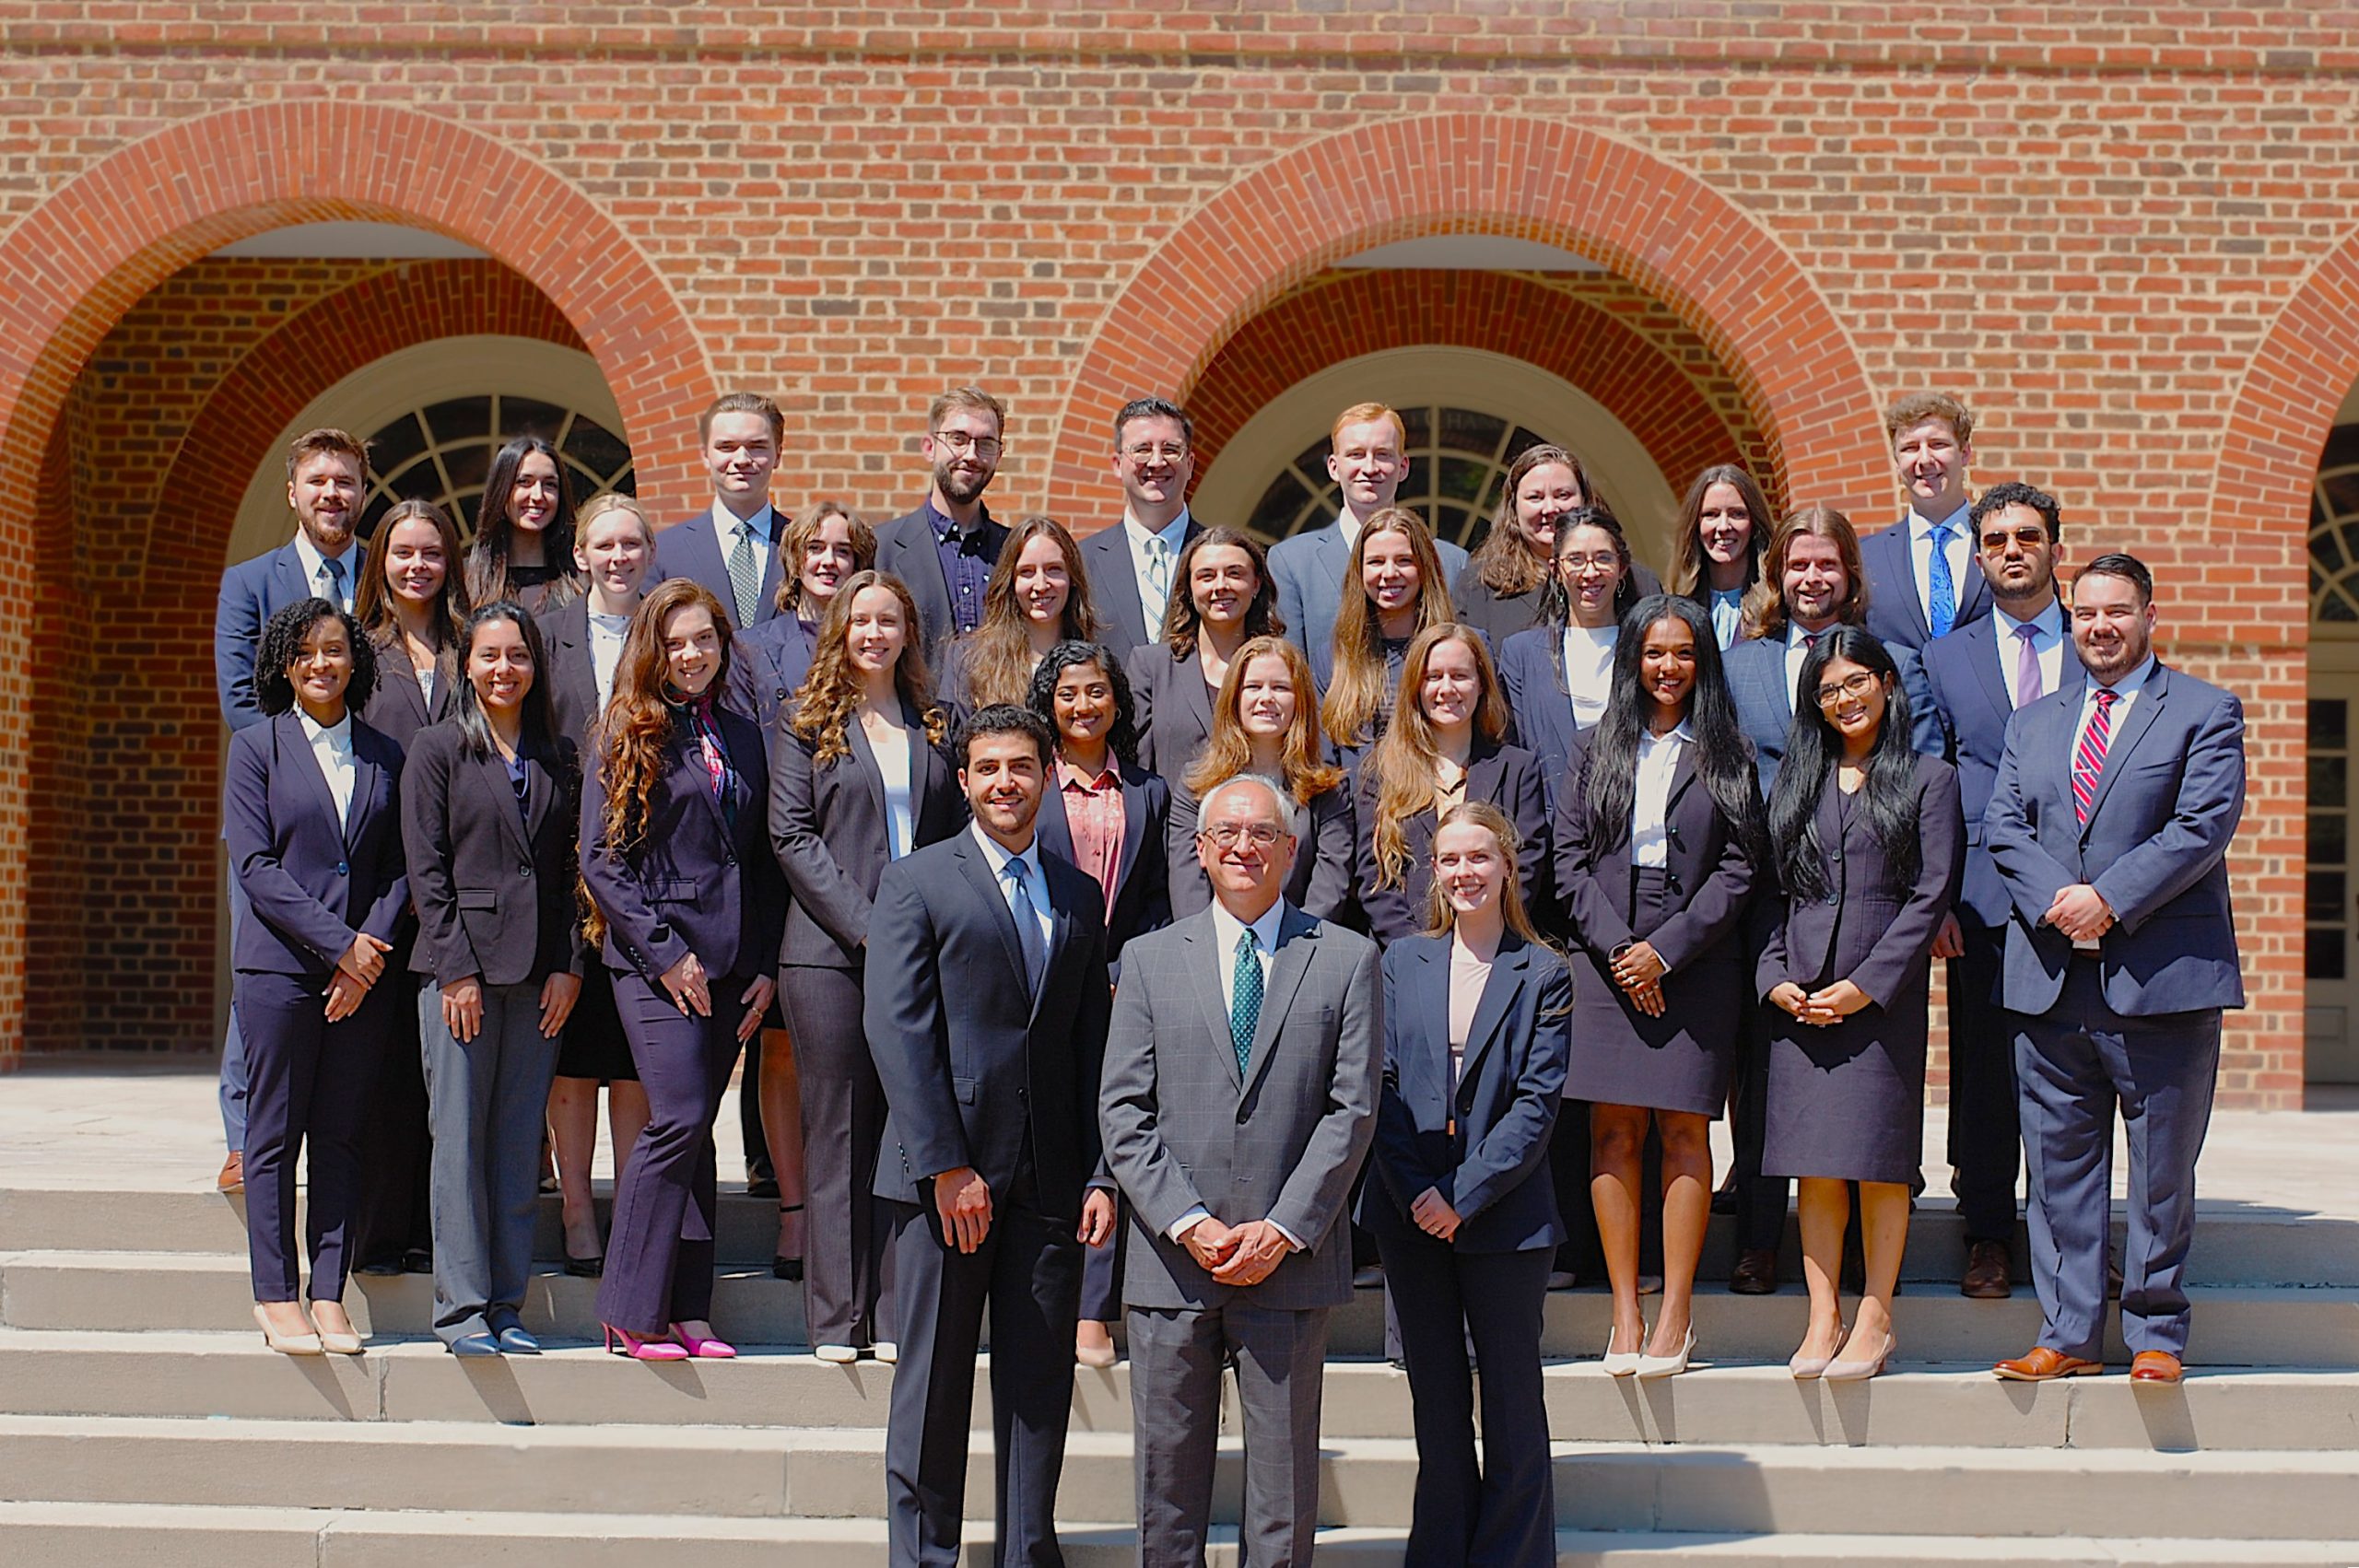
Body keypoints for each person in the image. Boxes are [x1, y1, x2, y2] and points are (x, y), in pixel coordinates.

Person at [1100, 771, 1381, 1568]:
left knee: (1284, 1493)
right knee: (1167, 1486)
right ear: (1199, 850)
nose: (1243, 847)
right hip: (1173, 1265)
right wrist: (1188, 1222)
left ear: (1291, 851)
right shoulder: (1149, 960)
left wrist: (1284, 1228)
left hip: (1287, 1262)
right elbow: (1123, 1110)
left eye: (1262, 833)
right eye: (1226, 832)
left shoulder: (1347, 960)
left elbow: (1351, 1110)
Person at [865, 705, 1116, 1568]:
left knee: (1038, 1391)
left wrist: (1100, 1175)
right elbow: (898, 1029)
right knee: (933, 1388)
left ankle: (1026, 1553)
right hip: (946, 1184)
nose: (1005, 782)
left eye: (1021, 766)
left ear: (1047, 776)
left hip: (1049, 1183)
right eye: (988, 768)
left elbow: (1091, 1045)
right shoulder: (917, 881)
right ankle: (925, 1557)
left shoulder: (1078, 894)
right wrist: (945, 1165)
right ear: (965, 780)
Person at [1988, 554, 2246, 1387]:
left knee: (2163, 1166)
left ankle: (2157, 1333)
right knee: (2058, 1166)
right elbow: (2002, 827)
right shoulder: (2034, 721)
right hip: (2053, 975)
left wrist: (2109, 899)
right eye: (2086, 613)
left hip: (2163, 977)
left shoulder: (2205, 711)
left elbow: (2201, 826)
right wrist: (2063, 899)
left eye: (2117, 612)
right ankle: (2067, 1333)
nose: (2099, 627)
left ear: (2149, 615)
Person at [1719, 506, 1950, 1293]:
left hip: (1875, 890)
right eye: (1795, 566)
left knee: (1864, 1101)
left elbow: (1923, 784)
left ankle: (1864, 1268)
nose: (1810, 578)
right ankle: (1758, 1237)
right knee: (1765, 1079)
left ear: (1850, 574)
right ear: (1776, 574)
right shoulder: (1743, 660)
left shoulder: (1893, 663)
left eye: (1826, 565)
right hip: (1777, 888)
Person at [1555, 594, 1765, 1376]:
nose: (1667, 667)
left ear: (1701, 662)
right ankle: (1624, 1308)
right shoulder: (1590, 749)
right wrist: (1620, 950)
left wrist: (1666, 951)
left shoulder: (1729, 750)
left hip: (1696, 957)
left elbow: (1743, 865)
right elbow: (1566, 862)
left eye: (1682, 653)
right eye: (1653, 653)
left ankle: (1676, 1306)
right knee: (1612, 1133)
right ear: (1631, 661)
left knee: (1683, 1132)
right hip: (1606, 953)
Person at [1357, 801, 1568, 1565]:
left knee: (1512, 1405)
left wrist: (1462, 1195)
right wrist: (1419, 1192)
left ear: (1507, 866)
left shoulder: (1544, 970)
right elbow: (1374, 1086)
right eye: (1449, 861)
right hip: (1408, 1215)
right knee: (1437, 1407)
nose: (1463, 873)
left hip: (1505, 1218)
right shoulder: (1400, 962)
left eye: (1479, 858)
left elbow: (1536, 1105)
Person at [579, 579, 782, 1361]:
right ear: (652, 648)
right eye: (676, 641)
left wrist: (762, 962)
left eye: (705, 639)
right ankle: (630, 1308)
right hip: (654, 961)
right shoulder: (625, 731)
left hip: (733, 963)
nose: (692, 654)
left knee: (701, 1132)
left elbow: (758, 855)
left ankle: (689, 1308)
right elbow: (602, 861)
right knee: (678, 1118)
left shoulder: (740, 730)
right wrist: (666, 957)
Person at [770, 568, 965, 1363]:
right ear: (839, 632)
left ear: (907, 631)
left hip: (922, 958)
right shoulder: (805, 721)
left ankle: (893, 1314)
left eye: (889, 619)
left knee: (908, 1129)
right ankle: (836, 1319)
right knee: (841, 1129)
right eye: (861, 621)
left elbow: (956, 835)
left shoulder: (935, 722)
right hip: (829, 956)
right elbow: (791, 836)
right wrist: (869, 925)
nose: (875, 633)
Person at [1759, 626, 1963, 1382]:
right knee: (1814, 1166)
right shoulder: (1797, 780)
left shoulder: (1927, 778)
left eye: (1855, 683)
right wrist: (1773, 975)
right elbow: (1770, 891)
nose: (1843, 700)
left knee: (1878, 1160)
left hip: (1882, 999)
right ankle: (1823, 1314)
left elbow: (1929, 894)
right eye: (1827, 690)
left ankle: (1876, 1312)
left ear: (1885, 683)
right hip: (1800, 996)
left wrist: (1868, 984)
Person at [224, 597, 408, 1356]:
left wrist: (368, 952)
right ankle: (276, 1294)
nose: (321, 664)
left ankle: (328, 1294)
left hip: (358, 977)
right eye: (304, 653)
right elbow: (257, 866)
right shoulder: (257, 748)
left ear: (354, 660)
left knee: (338, 1136)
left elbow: (401, 870)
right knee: (273, 1135)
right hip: (279, 971)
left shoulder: (384, 753)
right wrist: (343, 947)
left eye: (334, 650)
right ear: (283, 665)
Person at [401, 603, 582, 1356]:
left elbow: (576, 869)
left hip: (539, 978)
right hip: (460, 980)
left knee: (514, 1146)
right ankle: (462, 1309)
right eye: (488, 656)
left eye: (517, 656)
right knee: (461, 1144)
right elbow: (426, 869)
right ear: (466, 665)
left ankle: (507, 1303)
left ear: (534, 667)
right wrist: (456, 971)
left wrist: (570, 965)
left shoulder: (558, 755)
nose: (503, 669)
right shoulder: (437, 749)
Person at [1919, 481, 2078, 1299]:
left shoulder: (2098, 644)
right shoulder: (1947, 658)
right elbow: (1928, 783)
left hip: (2081, 896)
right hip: (1979, 899)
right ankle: (1986, 1233)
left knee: (2072, 1072)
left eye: (2027, 536)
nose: (2012, 550)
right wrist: (1937, 897)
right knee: (1983, 1069)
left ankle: (2073, 1240)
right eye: (1996, 541)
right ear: (1978, 559)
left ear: (2056, 548)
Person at [210, 427, 370, 1193]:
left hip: (366, 808)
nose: (332, 494)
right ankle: (247, 1134)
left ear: (361, 492)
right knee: (265, 975)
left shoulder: (382, 573)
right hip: (277, 816)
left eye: (345, 481)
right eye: (319, 482)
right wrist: (301, 774)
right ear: (293, 493)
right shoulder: (250, 581)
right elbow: (241, 699)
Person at [1026, 639, 1173, 1368]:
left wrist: (1127, 968)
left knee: (1111, 1140)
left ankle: (1095, 1310)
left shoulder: (1149, 791)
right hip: (1043, 981)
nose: (1083, 706)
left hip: (1120, 985)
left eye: (1095, 691)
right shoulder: (1031, 783)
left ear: (1117, 699)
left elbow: (1155, 898)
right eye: (1067, 693)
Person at [346, 497, 468, 1279]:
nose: (417, 565)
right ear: (381, 562)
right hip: (378, 883)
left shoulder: (472, 648)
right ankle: (379, 1234)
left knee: (448, 1075)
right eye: (402, 552)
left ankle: (440, 1230)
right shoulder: (357, 652)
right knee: (383, 1067)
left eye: (430, 552)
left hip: (462, 881)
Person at [536, 493, 656, 1277]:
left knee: (635, 1058)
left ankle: (633, 1211)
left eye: (631, 545)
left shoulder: (668, 629)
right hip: (560, 864)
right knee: (575, 1058)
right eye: (601, 545)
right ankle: (578, 1213)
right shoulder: (545, 637)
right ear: (578, 555)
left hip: (650, 867)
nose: (617, 557)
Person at [1354, 623, 1546, 946]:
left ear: (1482, 684)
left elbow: (1524, 870)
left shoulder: (1518, 769)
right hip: (1406, 956)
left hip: (1495, 950)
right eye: (1433, 677)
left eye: (1460, 676)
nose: (1446, 689)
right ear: (1415, 686)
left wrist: (1480, 938)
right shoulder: (1381, 773)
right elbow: (1375, 879)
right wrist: (1421, 952)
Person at [1170, 636, 1356, 923]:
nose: (1266, 698)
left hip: (1300, 947)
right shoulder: (1196, 784)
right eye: (1253, 687)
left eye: (1280, 687)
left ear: (1300, 700)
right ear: (1234, 696)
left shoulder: (1328, 788)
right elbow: (1188, 889)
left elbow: (1328, 892)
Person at [1267, 402, 1470, 663]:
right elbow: (1290, 672)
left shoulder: (1451, 562)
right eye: (1356, 454)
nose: (1370, 467)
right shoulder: (1291, 563)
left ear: (1403, 466)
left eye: (1383, 454)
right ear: (1333, 467)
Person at [1495, 505, 1641, 801]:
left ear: (1622, 568)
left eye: (1603, 558)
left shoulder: (1646, 648)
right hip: (1550, 831)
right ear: (1557, 570)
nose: (1590, 572)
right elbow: (1514, 753)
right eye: (1575, 559)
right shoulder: (1521, 654)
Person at [1452, 442, 1664, 645]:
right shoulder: (1478, 586)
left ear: (1585, 499)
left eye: (1563, 495)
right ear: (1513, 508)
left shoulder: (1639, 584)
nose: (1550, 508)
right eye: (1535, 497)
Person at [1125, 524, 1279, 780]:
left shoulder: (1279, 667)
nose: (1221, 586)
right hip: (1172, 819)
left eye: (1235, 574)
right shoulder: (1152, 667)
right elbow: (1135, 766)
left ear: (1256, 584)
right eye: (1206, 576)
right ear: (1188, 588)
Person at [874, 385, 1014, 661]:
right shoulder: (881, 550)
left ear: (998, 454)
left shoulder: (1015, 552)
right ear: (929, 447)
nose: (971, 455)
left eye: (985, 443)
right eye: (958, 439)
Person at [1318, 507, 1456, 756]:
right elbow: (1327, 761)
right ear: (1359, 572)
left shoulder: (1462, 650)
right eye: (1376, 562)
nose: (1390, 573)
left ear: (1425, 567)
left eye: (1404, 560)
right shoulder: (1332, 659)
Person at [1859, 392, 1991, 650]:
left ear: (1965, 453)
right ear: (1897, 461)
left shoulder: (2000, 544)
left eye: (1938, 444)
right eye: (1910, 448)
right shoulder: (1865, 556)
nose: (1925, 460)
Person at [1080, 396, 1204, 662]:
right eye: (1142, 449)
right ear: (1117, 465)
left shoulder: (1221, 556)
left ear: (1190, 464)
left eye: (1171, 449)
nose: (1157, 462)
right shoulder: (1081, 562)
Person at [653, 392, 787, 632]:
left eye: (757, 447)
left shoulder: (807, 549)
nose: (742, 459)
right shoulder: (664, 552)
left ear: (778, 454)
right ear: (705, 455)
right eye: (727, 447)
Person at [941, 514, 1104, 708]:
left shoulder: (1096, 661)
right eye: (1027, 571)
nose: (1041, 584)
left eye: (1054, 569)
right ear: (1010, 581)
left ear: (1072, 578)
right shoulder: (969, 661)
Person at [745, 499, 876, 696]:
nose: (829, 561)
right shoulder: (753, 647)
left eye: (842, 551)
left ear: (857, 564)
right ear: (795, 559)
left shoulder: (874, 641)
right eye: (815, 547)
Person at [465, 435, 583, 615]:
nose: (537, 495)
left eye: (549, 484)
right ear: (501, 489)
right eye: (524, 482)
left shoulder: (580, 580)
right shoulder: (467, 580)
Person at [1670, 463, 1773, 650]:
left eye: (1737, 514)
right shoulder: (1675, 607)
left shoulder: (1776, 607)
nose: (1723, 526)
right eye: (1711, 515)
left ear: (1754, 524)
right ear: (1695, 526)